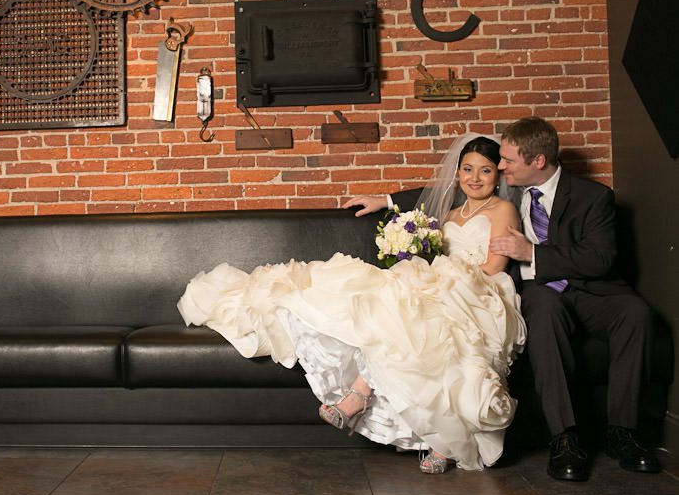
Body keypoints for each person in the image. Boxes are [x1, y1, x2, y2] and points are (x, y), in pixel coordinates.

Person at [179, 135, 526, 473]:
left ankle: (435, 437)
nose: (475, 178)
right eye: (467, 169)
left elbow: (494, 266)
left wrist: (442, 275)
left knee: (438, 324)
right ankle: (370, 401)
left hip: (480, 290)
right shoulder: (449, 214)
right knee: (398, 318)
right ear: (458, 173)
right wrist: (391, 210)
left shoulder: (503, 209)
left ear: (498, 175)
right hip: (443, 284)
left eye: (485, 170)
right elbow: (423, 210)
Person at [487, 116, 660, 481]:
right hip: (542, 294)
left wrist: (531, 253)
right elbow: (456, 188)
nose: (501, 166)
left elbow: (599, 259)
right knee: (545, 311)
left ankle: (622, 432)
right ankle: (564, 437)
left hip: (593, 291)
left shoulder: (593, 197)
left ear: (538, 161)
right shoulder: (505, 188)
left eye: (508, 160)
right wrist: (388, 199)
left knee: (635, 311)